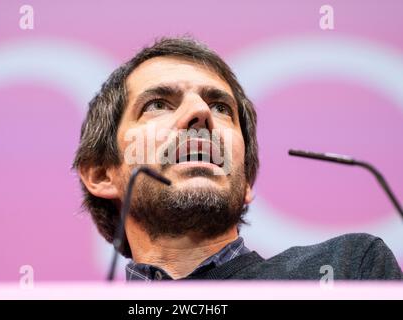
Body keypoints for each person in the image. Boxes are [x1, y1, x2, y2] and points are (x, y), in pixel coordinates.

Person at [73, 37, 402, 281]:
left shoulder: (346, 269)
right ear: (102, 174)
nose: (200, 112)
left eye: (221, 108)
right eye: (158, 104)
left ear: (245, 182)